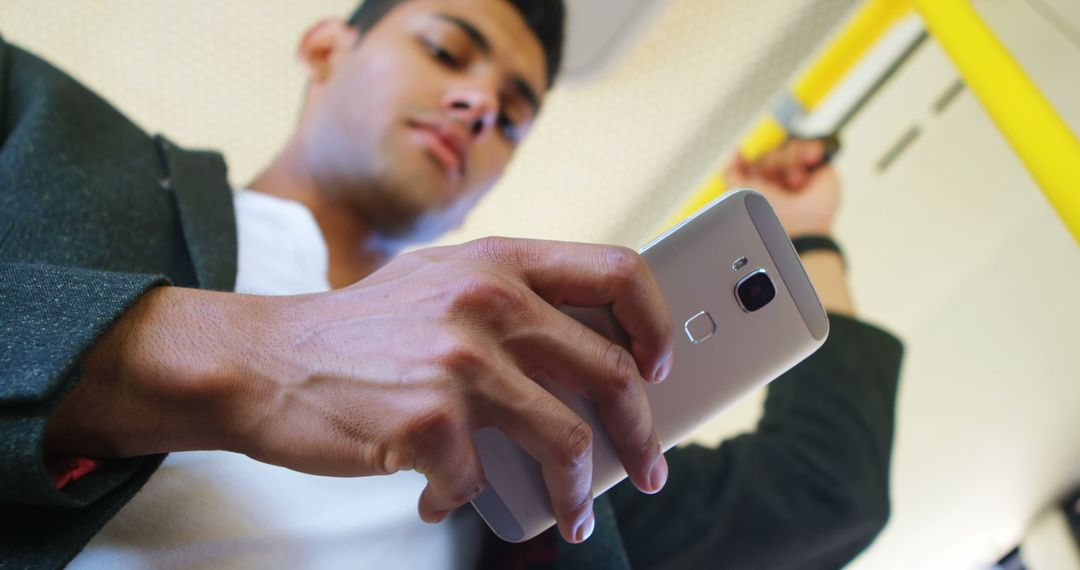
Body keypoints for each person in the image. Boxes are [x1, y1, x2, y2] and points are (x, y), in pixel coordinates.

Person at [0, 0, 903, 568]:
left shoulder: (555, 446)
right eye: (446, 49)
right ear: (324, 49)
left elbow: (824, 495)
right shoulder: (42, 127)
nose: (481, 106)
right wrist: (254, 358)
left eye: (513, 116)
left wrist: (812, 231)